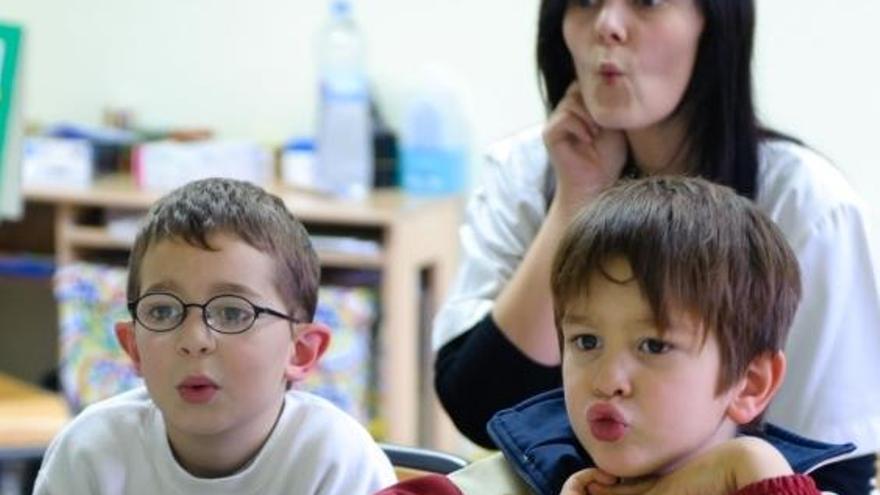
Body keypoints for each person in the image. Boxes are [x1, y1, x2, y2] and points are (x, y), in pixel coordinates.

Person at [432, 1, 880, 493]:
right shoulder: (527, 167)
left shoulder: (808, 205)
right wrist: (575, 200)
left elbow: (842, 473)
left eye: (646, 1)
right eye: (583, 1)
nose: (607, 25)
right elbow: (477, 406)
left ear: (713, 24)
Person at [379, 176, 855, 495]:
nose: (608, 379)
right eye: (585, 341)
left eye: (654, 345)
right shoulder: (510, 480)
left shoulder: (783, 480)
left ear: (749, 384)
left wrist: (753, 468)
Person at [33, 178, 396, 494]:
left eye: (233, 313)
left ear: (300, 352)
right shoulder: (89, 453)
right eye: (163, 311)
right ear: (134, 348)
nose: (194, 339)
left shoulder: (338, 462)